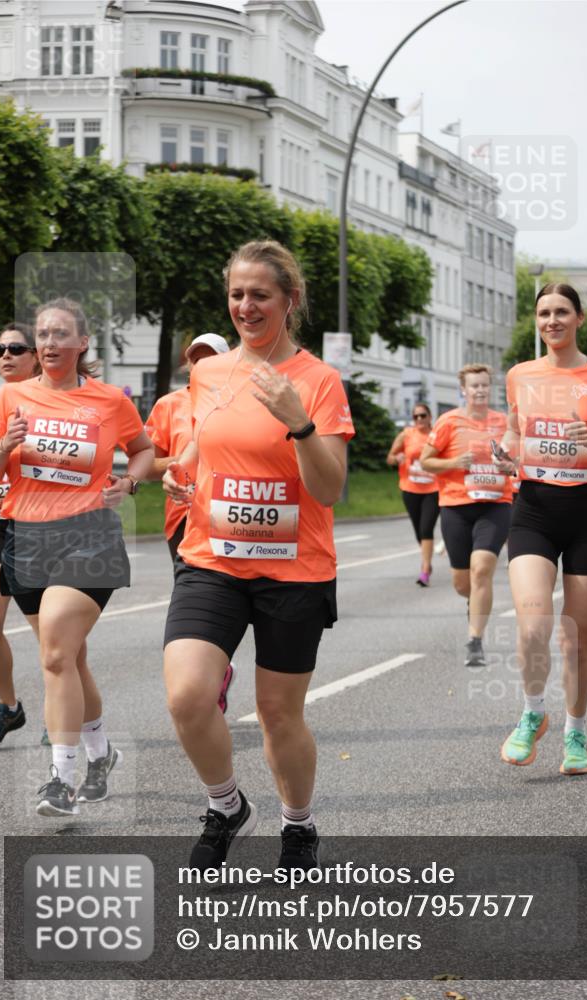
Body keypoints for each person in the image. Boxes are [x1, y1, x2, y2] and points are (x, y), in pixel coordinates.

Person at [162, 240, 354, 873]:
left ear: (289, 301)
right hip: (211, 559)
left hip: (293, 571)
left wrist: (299, 423)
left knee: (277, 712)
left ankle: (297, 825)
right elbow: (202, 444)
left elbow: (329, 489)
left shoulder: (318, 381)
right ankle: (225, 806)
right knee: (189, 694)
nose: (246, 306)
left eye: (260, 294)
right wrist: (179, 470)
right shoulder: (209, 373)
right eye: (237, 294)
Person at [0, 298, 154, 814]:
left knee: (56, 653)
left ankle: (60, 780)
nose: (50, 344)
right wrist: (4, 447)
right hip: (27, 539)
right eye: (43, 335)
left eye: (61, 335)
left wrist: (128, 482)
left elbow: (143, 449)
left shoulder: (109, 400)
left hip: (90, 537)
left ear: (82, 343)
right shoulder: (8, 398)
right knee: (69, 659)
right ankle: (101, 753)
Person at [499, 283, 587, 776]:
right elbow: (515, 430)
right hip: (533, 509)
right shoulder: (520, 375)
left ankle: (576, 730)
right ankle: (534, 713)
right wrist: (507, 449)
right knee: (532, 624)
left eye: (561, 312)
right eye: (543, 313)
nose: (551, 321)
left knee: (576, 639)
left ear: (578, 318)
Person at [145, 332, 236, 711]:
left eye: (210, 357)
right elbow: (146, 464)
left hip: (231, 516)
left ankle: (215, 670)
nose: (201, 365)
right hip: (183, 518)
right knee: (199, 601)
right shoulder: (169, 405)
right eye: (195, 358)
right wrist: (182, 460)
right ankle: (214, 672)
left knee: (229, 600)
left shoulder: (240, 401)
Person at [420, 364, 513, 666]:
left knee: (482, 567)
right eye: (474, 386)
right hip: (456, 506)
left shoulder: (504, 422)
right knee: (463, 583)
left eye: (485, 385)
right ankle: (473, 602)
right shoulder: (449, 422)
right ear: (463, 390)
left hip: (497, 503)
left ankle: (475, 640)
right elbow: (426, 462)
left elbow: (517, 460)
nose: (480, 390)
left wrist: (508, 464)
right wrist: (455, 461)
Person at [0, 324, 40, 745]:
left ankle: (66, 713)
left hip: (39, 521)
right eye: (1, 349)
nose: (6, 355)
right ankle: (9, 707)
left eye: (16, 348)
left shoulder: (58, 403)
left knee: (54, 636)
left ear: (38, 355)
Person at [387, 403, 439, 586]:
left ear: (430, 417)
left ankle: (425, 569)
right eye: (415, 416)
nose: (419, 420)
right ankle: (427, 559)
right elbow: (390, 457)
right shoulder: (406, 434)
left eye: (423, 415)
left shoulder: (437, 435)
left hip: (434, 488)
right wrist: (397, 458)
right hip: (410, 488)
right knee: (418, 530)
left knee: (426, 528)